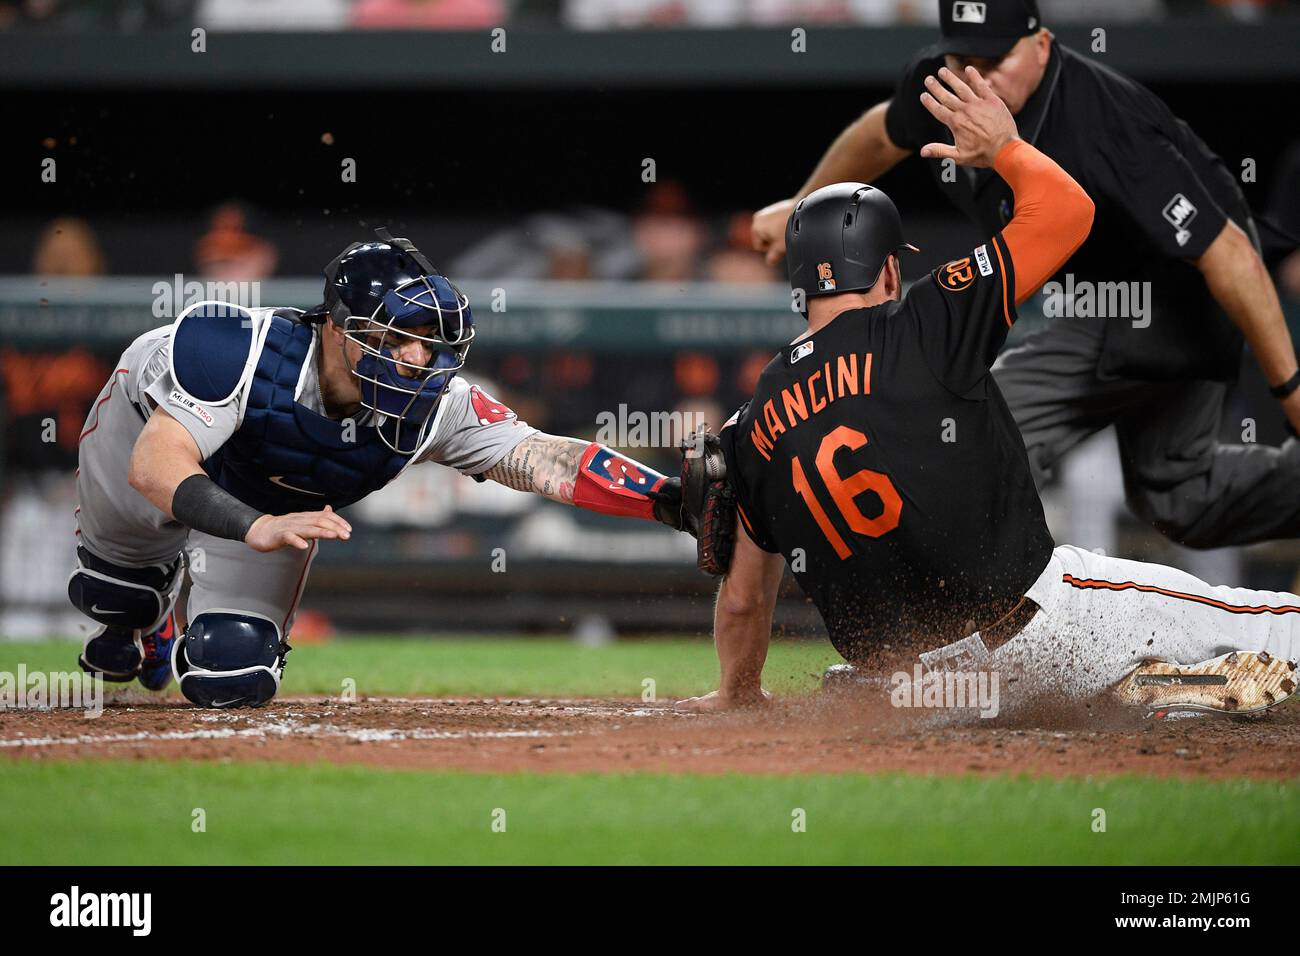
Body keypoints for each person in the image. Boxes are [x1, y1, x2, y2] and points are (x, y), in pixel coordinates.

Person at [679, 67, 1298, 717]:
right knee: (1266, 621)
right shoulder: (924, 319)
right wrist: (1005, 145)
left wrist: (738, 692)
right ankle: (1169, 683)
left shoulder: (753, 424)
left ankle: (1164, 692)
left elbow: (745, 599)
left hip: (920, 692)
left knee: (894, 682)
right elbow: (1068, 211)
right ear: (890, 268)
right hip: (1040, 623)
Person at [751, 0, 1300, 548]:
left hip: (1168, 294)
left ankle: (994, 613)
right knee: (1184, 499)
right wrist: (801, 203)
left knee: (975, 428)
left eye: (995, 60)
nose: (977, 75)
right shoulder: (949, 88)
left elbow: (1231, 253)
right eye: (963, 55)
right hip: (1105, 291)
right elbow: (879, 133)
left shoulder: (1106, 122)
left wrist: (1292, 391)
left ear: (1042, 46)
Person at [72, 230, 684, 708]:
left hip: (264, 498)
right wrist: (251, 526)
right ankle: (144, 618)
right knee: (116, 593)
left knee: (232, 675)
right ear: (340, 327)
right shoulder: (235, 347)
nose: (417, 358)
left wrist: (667, 497)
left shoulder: (439, 404)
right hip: (146, 428)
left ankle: (176, 627)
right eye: (398, 337)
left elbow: (545, 459)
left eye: (429, 339)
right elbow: (155, 465)